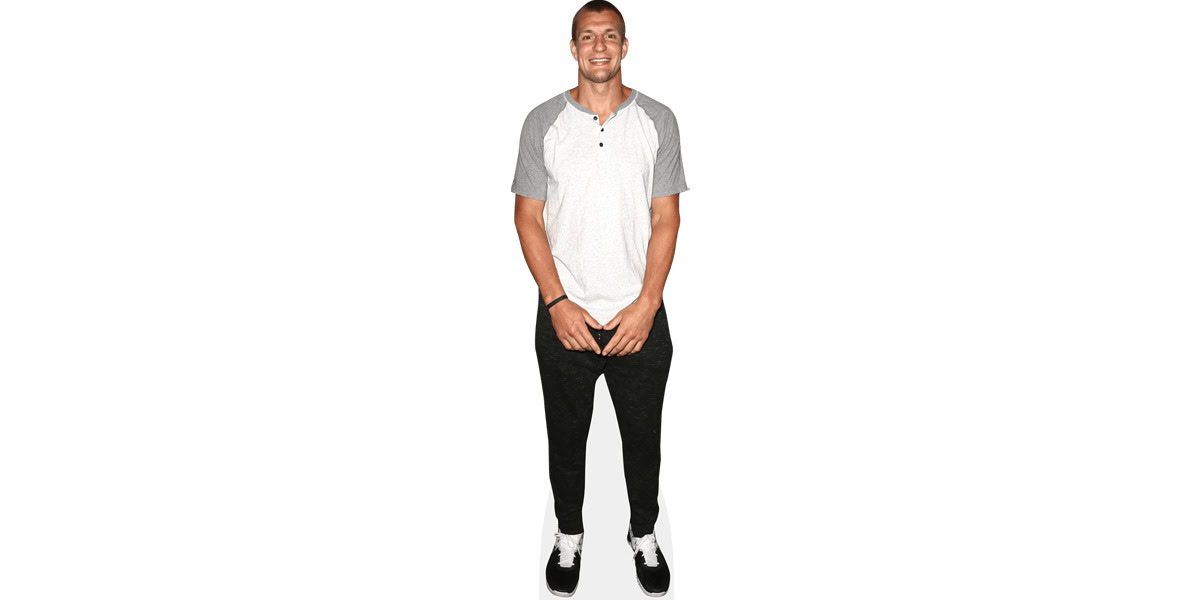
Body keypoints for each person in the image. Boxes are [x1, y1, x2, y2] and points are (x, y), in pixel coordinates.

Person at [510, 1, 689, 597]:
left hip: (640, 316)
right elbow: (528, 218)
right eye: (587, 37)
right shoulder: (542, 122)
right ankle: (568, 534)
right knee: (566, 440)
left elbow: (666, 218)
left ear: (625, 46)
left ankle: (644, 533)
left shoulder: (658, 120)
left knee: (643, 439)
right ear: (573, 48)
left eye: (610, 36)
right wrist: (557, 303)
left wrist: (647, 304)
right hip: (566, 315)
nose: (599, 47)